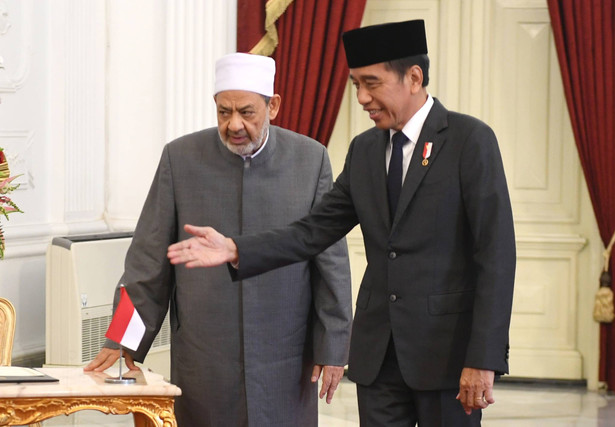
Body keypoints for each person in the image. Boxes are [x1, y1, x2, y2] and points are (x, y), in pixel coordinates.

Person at [168, 20, 516, 426]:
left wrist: (483, 358)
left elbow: (496, 255)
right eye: (355, 85)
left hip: (447, 357)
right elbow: (312, 231)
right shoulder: (365, 149)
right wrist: (236, 249)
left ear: (414, 78)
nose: (362, 97)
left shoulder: (469, 140)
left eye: (371, 83)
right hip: (378, 359)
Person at [85, 52, 352, 427]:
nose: (234, 124)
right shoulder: (180, 159)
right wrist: (120, 338)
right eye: (224, 112)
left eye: (246, 111)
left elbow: (331, 263)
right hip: (204, 353)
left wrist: (334, 347)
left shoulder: (310, 160)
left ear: (273, 106)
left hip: (285, 355)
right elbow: (147, 262)